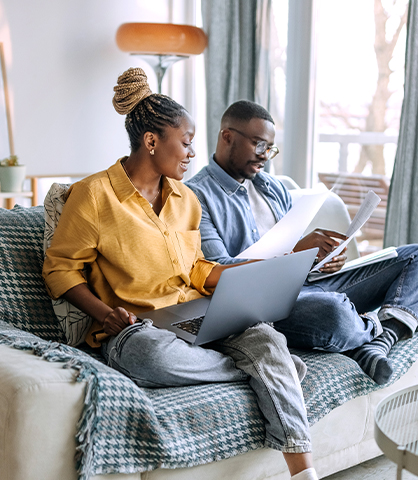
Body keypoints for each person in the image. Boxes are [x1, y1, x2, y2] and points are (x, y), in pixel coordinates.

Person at [42, 69, 319, 480]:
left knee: (267, 336)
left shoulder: (185, 199)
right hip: (137, 328)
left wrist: (238, 278)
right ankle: (269, 368)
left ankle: (303, 472)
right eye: (186, 143)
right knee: (151, 356)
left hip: (192, 312)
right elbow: (59, 269)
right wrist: (104, 315)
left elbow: (192, 267)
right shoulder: (94, 195)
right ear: (151, 141)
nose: (192, 154)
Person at [185, 100, 418, 386]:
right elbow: (219, 272)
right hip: (262, 306)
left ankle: (377, 339)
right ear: (227, 136)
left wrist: (320, 260)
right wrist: (294, 253)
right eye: (259, 145)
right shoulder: (194, 197)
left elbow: (297, 256)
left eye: (271, 148)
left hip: (309, 286)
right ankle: (396, 323)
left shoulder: (273, 187)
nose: (265, 156)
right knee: (333, 312)